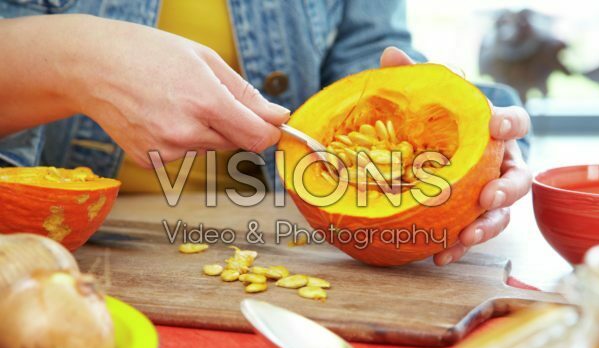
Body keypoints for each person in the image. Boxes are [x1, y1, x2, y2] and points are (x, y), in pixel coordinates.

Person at [0, 0, 531, 266]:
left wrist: (489, 140)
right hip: (50, 258)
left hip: (281, 242)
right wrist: (78, 60)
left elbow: (378, 70)